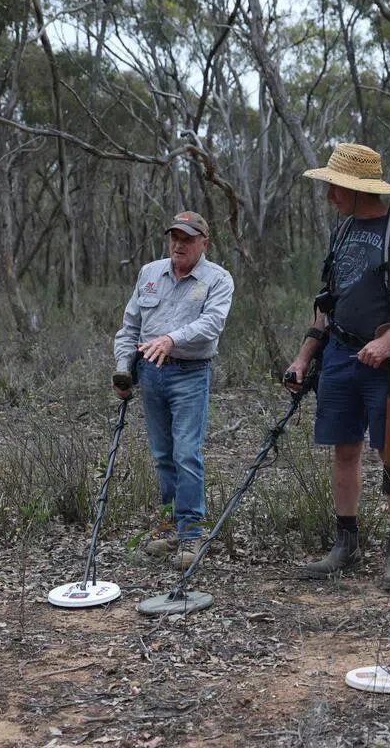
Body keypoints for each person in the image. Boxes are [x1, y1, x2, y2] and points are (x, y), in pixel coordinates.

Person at [284, 143, 390, 592]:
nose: (330, 195)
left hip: (387, 363)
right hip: (338, 355)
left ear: (357, 188)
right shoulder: (342, 231)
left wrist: (389, 340)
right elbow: (328, 303)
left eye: (335, 187)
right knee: (344, 448)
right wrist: (304, 356)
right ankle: (346, 542)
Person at [113, 210, 234, 569]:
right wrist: (123, 369)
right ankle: (170, 528)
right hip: (150, 373)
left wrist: (170, 339)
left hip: (190, 373)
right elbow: (131, 325)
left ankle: (192, 534)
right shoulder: (150, 273)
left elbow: (212, 323)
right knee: (163, 454)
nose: (179, 244)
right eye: (174, 238)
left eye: (188, 239)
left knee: (186, 453)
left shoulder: (218, 279)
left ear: (204, 243)